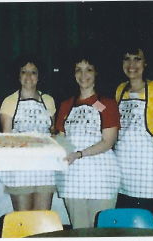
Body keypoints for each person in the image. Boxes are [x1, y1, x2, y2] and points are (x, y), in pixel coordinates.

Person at [55, 52, 121, 229]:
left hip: (102, 175)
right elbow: (61, 138)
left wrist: (79, 154)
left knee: (102, 230)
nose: (83, 75)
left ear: (96, 73)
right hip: (72, 176)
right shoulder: (66, 105)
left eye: (88, 70)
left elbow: (108, 142)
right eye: (79, 70)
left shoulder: (106, 103)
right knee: (79, 229)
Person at [114, 46, 153, 228]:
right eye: (127, 58)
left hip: (149, 176)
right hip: (123, 175)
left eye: (137, 59)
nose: (131, 64)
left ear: (146, 63)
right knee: (122, 230)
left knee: (148, 228)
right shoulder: (119, 90)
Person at [0, 55, 57, 211]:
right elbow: (6, 137)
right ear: (18, 76)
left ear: (39, 76)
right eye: (24, 72)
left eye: (33, 72)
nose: (29, 76)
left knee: (43, 218)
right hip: (20, 167)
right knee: (23, 219)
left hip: (45, 167)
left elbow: (52, 129)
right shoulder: (9, 101)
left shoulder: (48, 100)